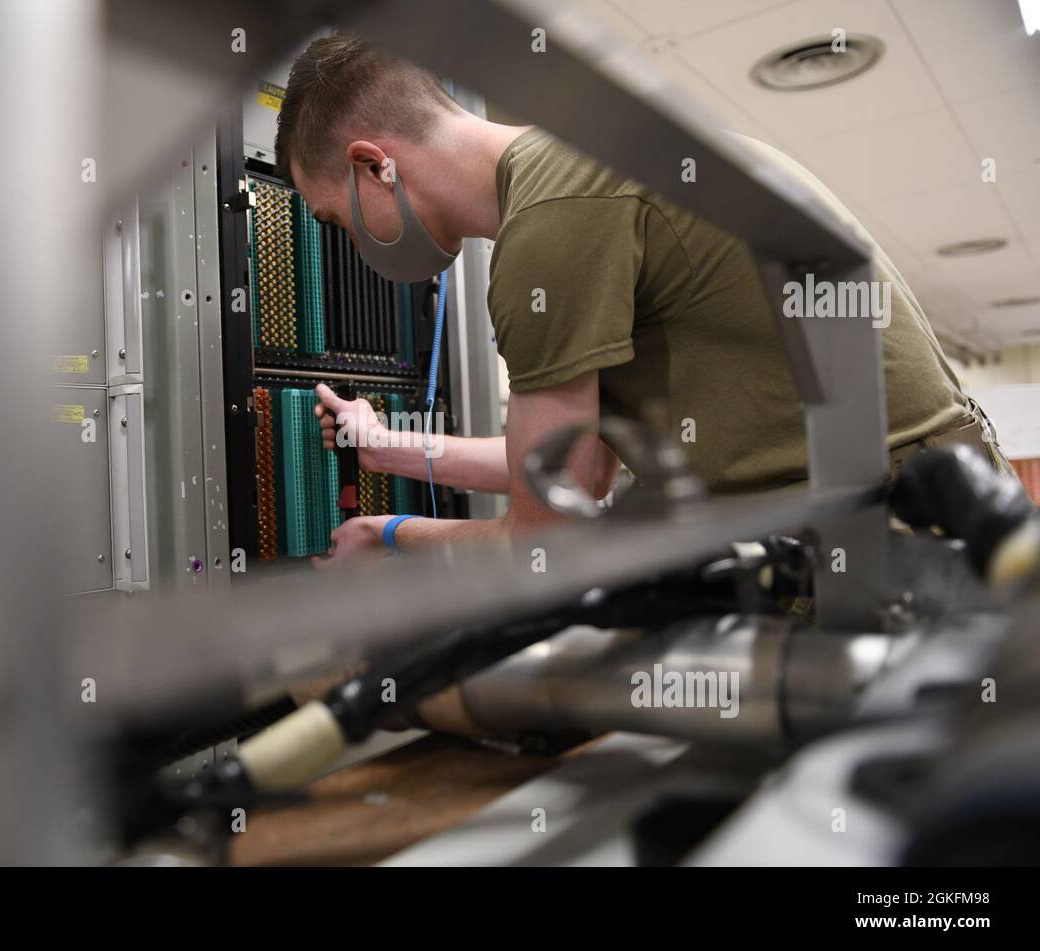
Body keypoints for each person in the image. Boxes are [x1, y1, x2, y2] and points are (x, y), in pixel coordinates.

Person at [274, 35, 1004, 565]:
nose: (352, 244)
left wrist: (388, 536)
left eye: (337, 219)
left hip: (901, 540)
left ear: (373, 164)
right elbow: (570, 469)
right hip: (944, 511)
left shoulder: (552, 221)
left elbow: (546, 533)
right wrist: (386, 447)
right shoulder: (584, 163)